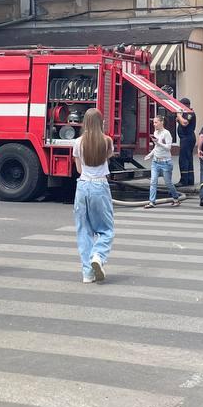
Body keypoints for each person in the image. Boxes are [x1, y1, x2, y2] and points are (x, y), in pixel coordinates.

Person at [72, 107, 114, 283]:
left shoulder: (78, 142)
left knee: (84, 230)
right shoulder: (107, 141)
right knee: (106, 229)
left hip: (82, 187)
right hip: (100, 185)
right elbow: (108, 157)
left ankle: (87, 273)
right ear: (101, 123)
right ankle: (98, 255)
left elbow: (78, 169)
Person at [146, 114, 183, 208]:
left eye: (156, 122)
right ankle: (152, 202)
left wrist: (159, 143)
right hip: (155, 161)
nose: (154, 124)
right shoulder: (155, 132)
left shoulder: (166, 133)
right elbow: (156, 146)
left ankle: (175, 198)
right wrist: (150, 155)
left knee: (168, 183)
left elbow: (168, 147)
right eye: (153, 122)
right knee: (153, 182)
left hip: (166, 162)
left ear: (161, 122)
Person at [176, 100, 197, 187]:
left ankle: (184, 180)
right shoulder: (186, 113)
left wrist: (178, 115)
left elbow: (184, 123)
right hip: (186, 138)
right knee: (188, 158)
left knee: (183, 159)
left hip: (187, 138)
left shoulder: (189, 113)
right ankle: (190, 179)